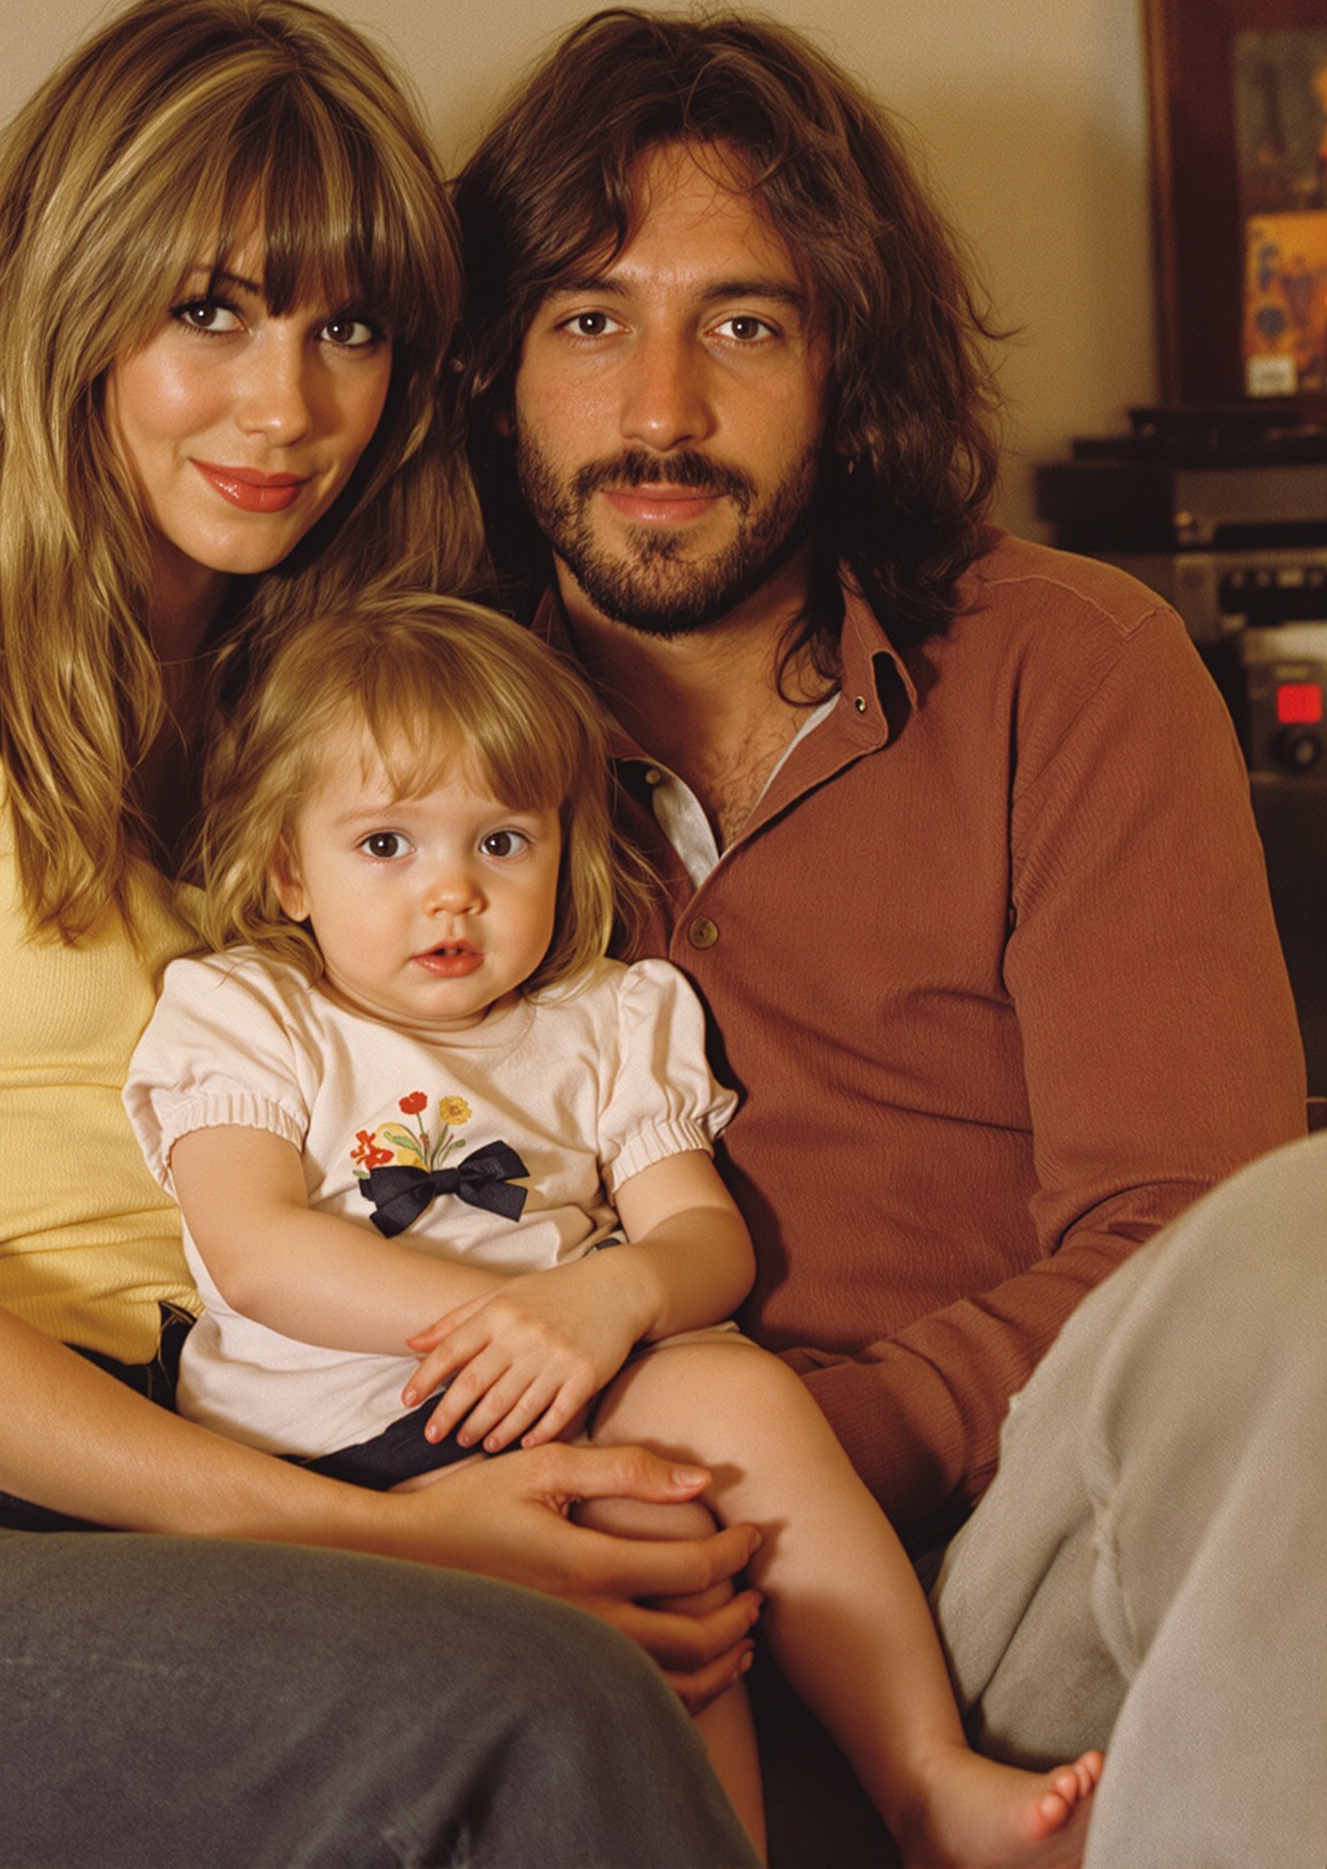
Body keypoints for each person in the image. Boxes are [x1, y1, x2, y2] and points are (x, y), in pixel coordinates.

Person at [0, 0, 767, 1869]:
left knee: (651, 1563)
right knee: (528, 1679)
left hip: (253, 1474)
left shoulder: (340, 736)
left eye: (349, 329)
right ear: (72, 309)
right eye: (208, 312)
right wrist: (396, 1535)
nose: (286, 404)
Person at [453, 3, 1315, 1859]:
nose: (660, 407)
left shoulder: (1070, 672)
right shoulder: (392, 725)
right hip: (544, 1569)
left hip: (1001, 1539)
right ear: (498, 365)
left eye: (742, 323)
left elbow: (1187, 1238)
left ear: (852, 361)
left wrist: (785, 1450)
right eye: (590, 319)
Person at [124, 588, 1103, 1869]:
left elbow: (704, 1243)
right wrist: (495, 1323)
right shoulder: (250, 1010)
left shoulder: (606, 1018)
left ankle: (917, 1777)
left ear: (562, 848)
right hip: (331, 1445)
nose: (450, 896)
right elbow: (253, 1250)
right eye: (384, 846)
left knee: (712, 1457)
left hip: (580, 1391)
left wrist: (604, 1304)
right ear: (284, 869)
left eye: (500, 843)